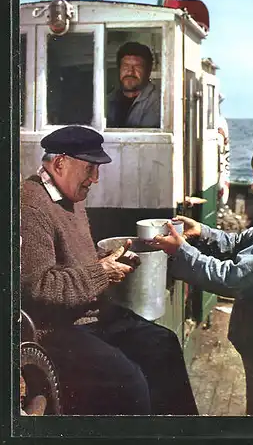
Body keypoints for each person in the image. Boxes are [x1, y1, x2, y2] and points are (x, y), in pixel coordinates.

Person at [20, 125, 198, 416]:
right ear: (60, 163)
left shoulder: (70, 197)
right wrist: (102, 272)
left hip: (90, 316)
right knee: (130, 382)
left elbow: (76, 261)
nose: (96, 179)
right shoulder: (30, 206)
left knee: (163, 343)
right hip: (55, 329)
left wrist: (111, 258)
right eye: (90, 169)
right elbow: (38, 287)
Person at [151, 135, 253, 416]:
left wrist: (181, 252)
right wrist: (202, 232)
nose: (252, 188)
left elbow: (232, 278)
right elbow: (239, 243)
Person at [106, 41, 160, 128]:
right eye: (125, 66)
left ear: (148, 71)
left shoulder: (159, 102)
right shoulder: (108, 101)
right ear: (119, 69)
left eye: (137, 66)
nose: (130, 71)